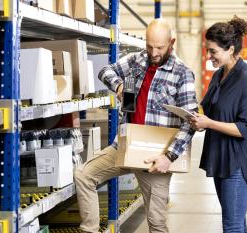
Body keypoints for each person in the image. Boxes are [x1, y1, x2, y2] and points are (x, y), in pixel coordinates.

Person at [74, 18, 198, 233]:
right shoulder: (136, 60)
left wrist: (168, 157)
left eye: (159, 47)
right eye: (149, 46)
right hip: (125, 146)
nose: (153, 52)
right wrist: (120, 85)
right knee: (84, 175)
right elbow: (105, 70)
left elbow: (190, 122)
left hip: (156, 156)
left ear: (172, 42)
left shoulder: (182, 73)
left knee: (156, 223)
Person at [189, 16, 247, 233]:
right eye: (208, 50)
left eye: (213, 51)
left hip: (236, 163)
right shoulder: (219, 75)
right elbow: (207, 107)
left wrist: (209, 123)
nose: (209, 55)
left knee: (231, 226)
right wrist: (197, 119)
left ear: (230, 49)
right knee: (237, 223)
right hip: (220, 157)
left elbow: (245, 129)